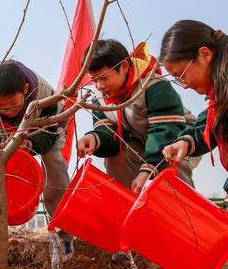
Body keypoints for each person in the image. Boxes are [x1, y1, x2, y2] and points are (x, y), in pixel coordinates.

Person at [0, 60, 74, 259]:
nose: (9, 111)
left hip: (45, 127)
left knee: (55, 166)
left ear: (25, 90)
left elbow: (52, 133)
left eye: (14, 105)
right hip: (5, 133)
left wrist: (27, 144)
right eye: (2, 107)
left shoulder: (46, 95)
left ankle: (64, 231)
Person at [77, 39, 195, 194]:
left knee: (171, 160)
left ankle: (185, 211)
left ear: (124, 67)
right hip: (140, 141)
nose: (100, 86)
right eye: (94, 79)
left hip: (178, 138)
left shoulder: (153, 86)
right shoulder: (98, 97)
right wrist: (95, 138)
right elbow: (111, 133)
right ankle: (126, 205)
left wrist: (147, 170)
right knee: (119, 157)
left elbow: (165, 131)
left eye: (104, 78)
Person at [161, 20, 228, 178]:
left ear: (205, 54)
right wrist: (186, 142)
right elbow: (210, 124)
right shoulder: (218, 94)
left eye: (182, 75)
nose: (184, 85)